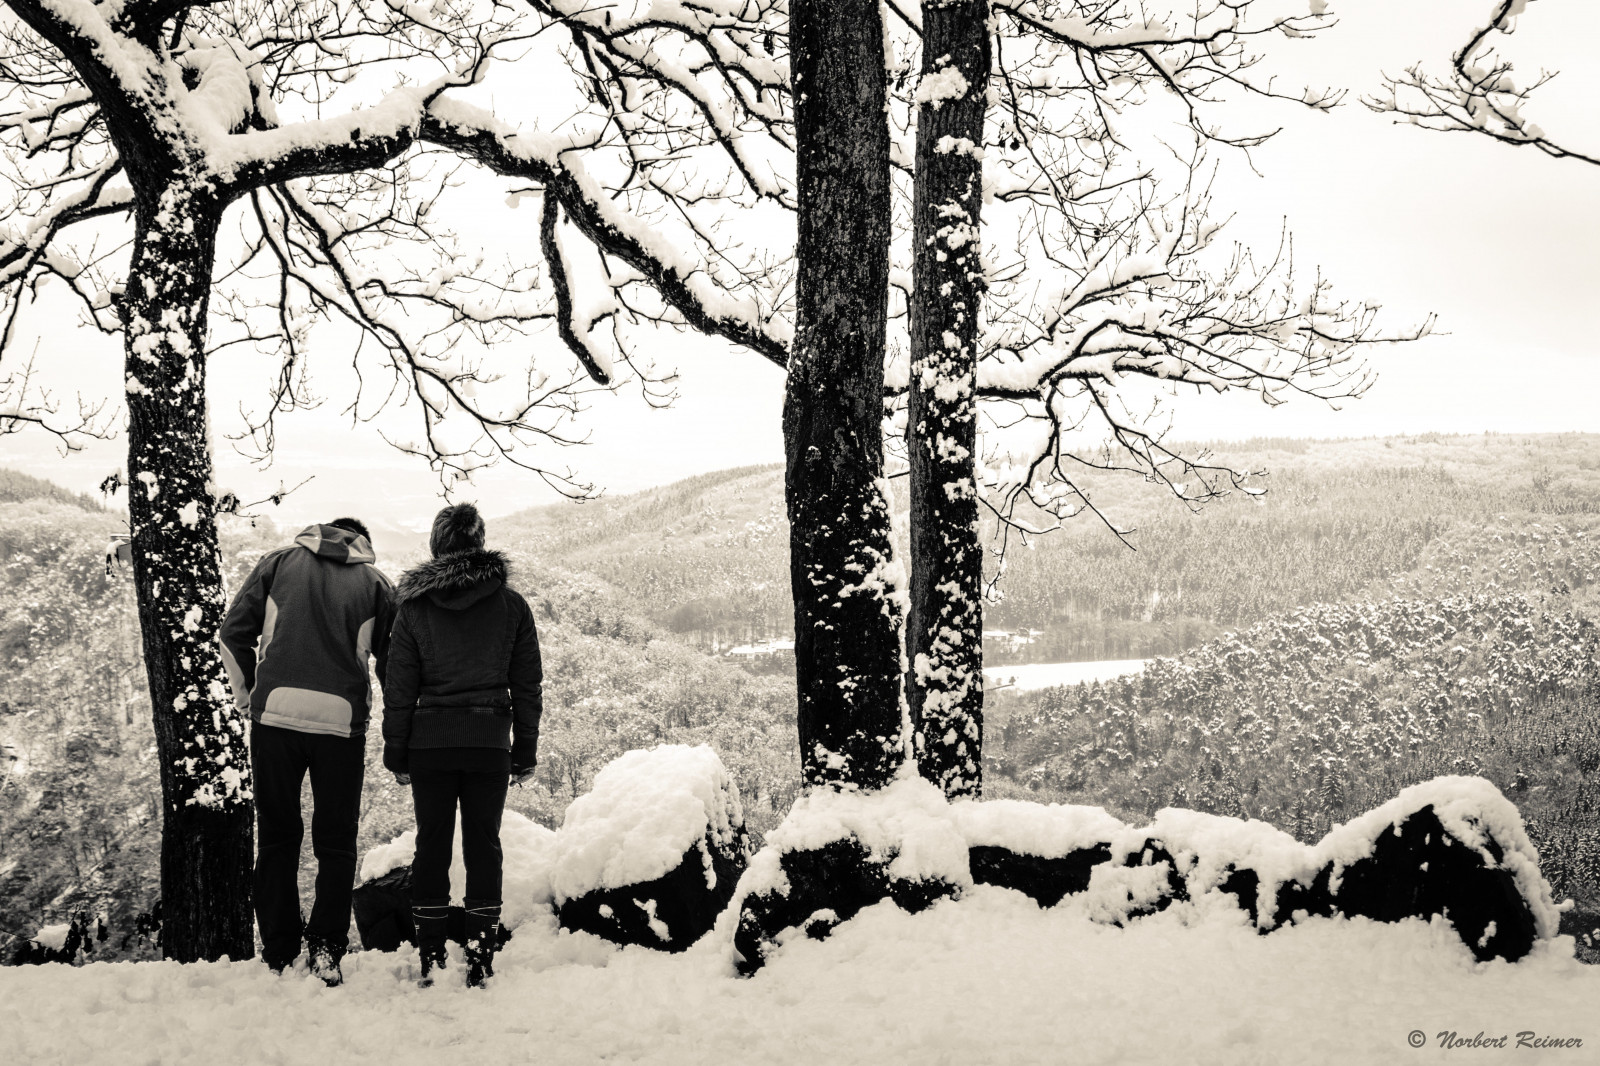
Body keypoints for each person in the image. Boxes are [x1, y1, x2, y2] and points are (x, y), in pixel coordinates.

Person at [219, 518, 395, 985]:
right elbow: (394, 665)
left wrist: (248, 697)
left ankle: (278, 950)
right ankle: (326, 951)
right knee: (336, 844)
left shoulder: (278, 564)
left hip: (274, 718)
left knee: (277, 837)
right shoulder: (375, 583)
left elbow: (231, 633)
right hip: (340, 725)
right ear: (362, 542)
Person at [382, 502, 542, 988]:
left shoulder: (412, 609)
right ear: (479, 543)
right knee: (484, 845)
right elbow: (528, 685)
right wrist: (525, 750)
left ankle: (431, 954)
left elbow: (399, 688)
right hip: (488, 744)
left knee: (431, 845)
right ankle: (480, 956)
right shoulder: (511, 605)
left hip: (429, 748)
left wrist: (397, 751)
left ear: (436, 546)